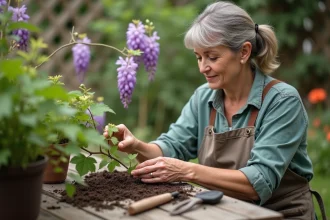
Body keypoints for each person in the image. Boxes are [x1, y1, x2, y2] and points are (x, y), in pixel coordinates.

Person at [104, 1, 326, 219]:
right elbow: (172, 146)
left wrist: (187, 170)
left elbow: (259, 181)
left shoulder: (282, 101)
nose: (202, 67)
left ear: (244, 52)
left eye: (212, 57)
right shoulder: (204, 97)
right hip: (223, 212)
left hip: (281, 214)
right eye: (199, 57)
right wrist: (136, 146)